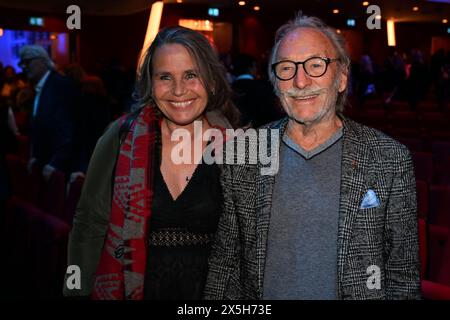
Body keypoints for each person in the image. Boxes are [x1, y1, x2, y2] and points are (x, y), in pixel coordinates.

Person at [204, 13, 421, 300]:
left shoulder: (390, 159)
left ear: (342, 78)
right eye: (285, 68)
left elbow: (402, 278)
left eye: (316, 65)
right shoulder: (243, 154)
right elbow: (225, 267)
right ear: (274, 82)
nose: (301, 81)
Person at [64, 26, 240, 300]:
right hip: (134, 289)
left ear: (212, 80)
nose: (179, 90)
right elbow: (89, 224)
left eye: (191, 75)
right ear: (150, 83)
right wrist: (76, 291)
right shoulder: (119, 138)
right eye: (165, 77)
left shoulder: (235, 148)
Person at [18, 45, 78, 179]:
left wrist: (56, 163)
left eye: (27, 61)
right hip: (46, 164)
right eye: (22, 63)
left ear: (42, 61)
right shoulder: (41, 87)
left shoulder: (59, 85)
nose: (24, 67)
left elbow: (66, 129)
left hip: (58, 167)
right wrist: (36, 158)